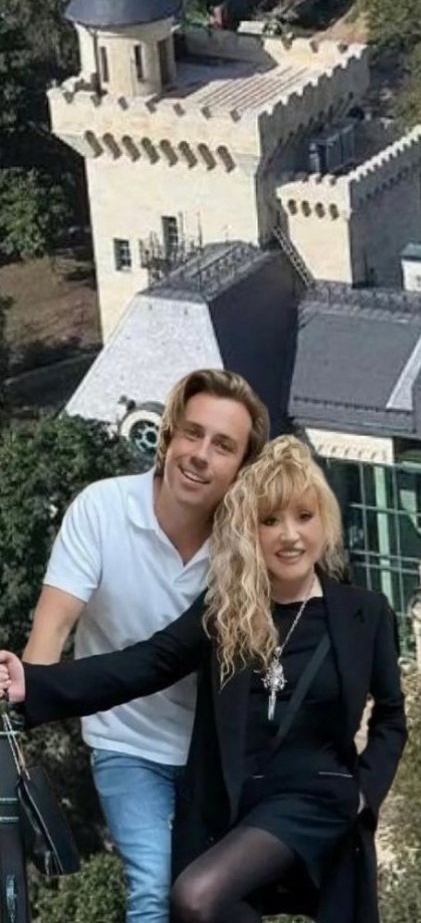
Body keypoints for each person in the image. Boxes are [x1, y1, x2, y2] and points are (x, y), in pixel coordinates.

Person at [1, 435, 407, 923]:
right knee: (209, 909)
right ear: (249, 531)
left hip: (315, 797)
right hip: (236, 804)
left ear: (325, 522)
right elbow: (144, 664)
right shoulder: (226, 609)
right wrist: (35, 684)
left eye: (304, 516)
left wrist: (364, 793)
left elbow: (391, 717)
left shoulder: (365, 614)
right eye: (270, 520)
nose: (290, 536)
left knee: (196, 896)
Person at [22, 368, 270, 923]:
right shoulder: (102, 509)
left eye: (223, 445)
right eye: (192, 433)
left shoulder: (250, 547)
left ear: (242, 468)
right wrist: (26, 700)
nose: (200, 455)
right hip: (127, 742)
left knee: (224, 903)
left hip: (218, 753)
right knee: (157, 888)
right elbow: (53, 627)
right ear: (169, 435)